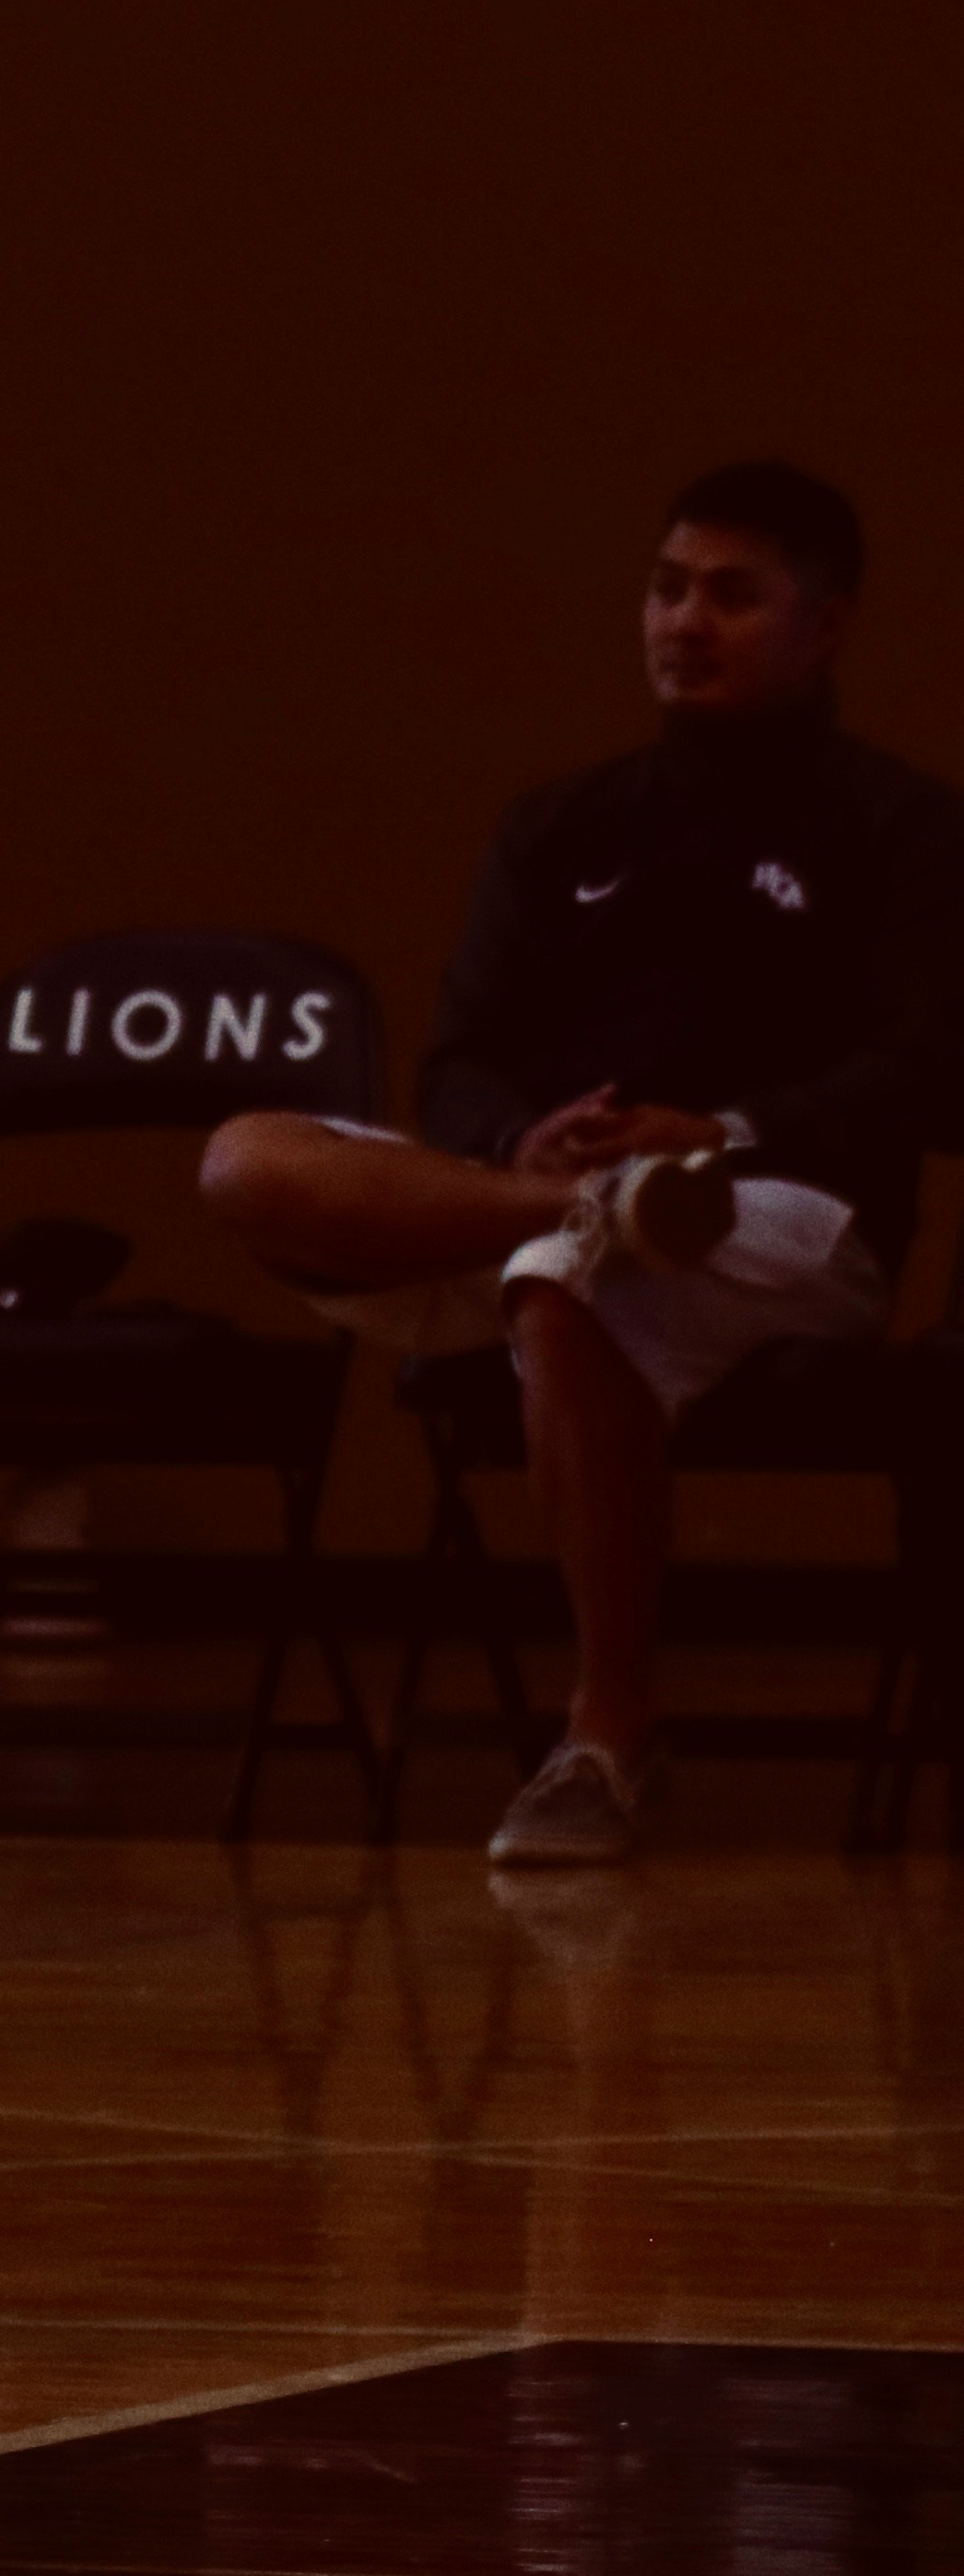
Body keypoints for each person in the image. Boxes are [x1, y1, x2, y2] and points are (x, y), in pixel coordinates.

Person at [196, 465, 960, 1869]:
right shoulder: (563, 824)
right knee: (248, 1159)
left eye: (733, 595)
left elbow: (929, 1075)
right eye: (668, 587)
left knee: (562, 1277)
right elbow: (461, 1060)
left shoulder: (902, 830)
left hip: (788, 1217)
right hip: (537, 1202)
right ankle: (579, 1202)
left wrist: (724, 1135)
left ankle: (609, 1740)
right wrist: (515, 1138)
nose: (685, 621)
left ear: (826, 622)